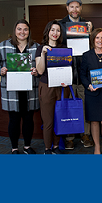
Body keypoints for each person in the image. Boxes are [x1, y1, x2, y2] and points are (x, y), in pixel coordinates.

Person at [0, 19, 39, 154]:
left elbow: (42, 67)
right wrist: (0, 70)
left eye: (25, 29)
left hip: (30, 90)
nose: (22, 32)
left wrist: (37, 71)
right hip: (11, 91)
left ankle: (27, 146)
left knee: (29, 120)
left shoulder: (35, 47)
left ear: (29, 32)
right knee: (14, 120)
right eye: (19, 29)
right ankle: (14, 147)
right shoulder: (3, 46)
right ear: (14, 31)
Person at [59, 0, 94, 149]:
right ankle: (69, 136)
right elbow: (58, 44)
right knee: (68, 104)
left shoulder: (87, 25)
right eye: (71, 7)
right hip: (67, 72)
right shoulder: (60, 25)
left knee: (85, 104)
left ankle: (85, 134)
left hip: (83, 72)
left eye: (77, 7)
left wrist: (90, 32)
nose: (74, 10)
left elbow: (93, 47)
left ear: (81, 8)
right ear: (67, 8)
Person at [35, 20, 67, 154]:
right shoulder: (40, 48)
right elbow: (40, 71)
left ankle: (56, 146)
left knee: (59, 118)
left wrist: (66, 79)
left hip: (60, 87)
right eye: (52, 30)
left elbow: (67, 68)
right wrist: (43, 54)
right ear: (48, 31)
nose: (55, 33)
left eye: (58, 30)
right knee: (48, 120)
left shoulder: (63, 48)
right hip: (46, 86)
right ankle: (47, 148)